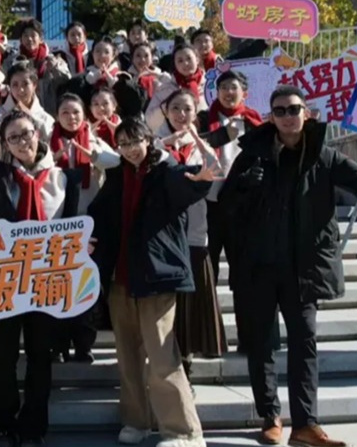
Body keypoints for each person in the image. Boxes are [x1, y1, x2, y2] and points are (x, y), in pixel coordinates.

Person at [218, 85, 357, 447]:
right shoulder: (252, 154)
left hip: (303, 269)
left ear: (306, 113)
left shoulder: (323, 154)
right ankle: (270, 416)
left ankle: (306, 424)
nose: (288, 116)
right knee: (261, 344)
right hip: (259, 266)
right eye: (280, 111)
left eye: (294, 109)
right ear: (271, 117)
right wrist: (243, 186)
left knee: (305, 342)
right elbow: (226, 206)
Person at [88, 116, 213, 447]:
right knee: (127, 357)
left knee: (161, 356)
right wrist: (86, 238)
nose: (130, 149)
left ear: (148, 140)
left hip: (156, 277)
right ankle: (136, 421)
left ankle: (183, 431)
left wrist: (202, 177)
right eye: (123, 143)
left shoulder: (164, 172)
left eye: (135, 141)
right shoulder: (117, 176)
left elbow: (189, 183)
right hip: (120, 279)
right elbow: (98, 215)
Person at [0, 110, 83, 446]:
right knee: (4, 353)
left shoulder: (64, 179)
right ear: (5, 145)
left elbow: (72, 225)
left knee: (40, 354)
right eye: (13, 138)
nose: (22, 142)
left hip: (46, 280)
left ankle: (34, 425)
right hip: (5, 279)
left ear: (38, 133)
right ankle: (2, 422)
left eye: (26, 134)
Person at [155, 89, 228, 383]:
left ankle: (186, 364)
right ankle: (168, 364)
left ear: (195, 113)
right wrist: (166, 142)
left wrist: (198, 141)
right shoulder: (158, 144)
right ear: (166, 112)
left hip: (195, 235)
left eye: (187, 108)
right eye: (175, 108)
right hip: (163, 234)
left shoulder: (202, 147)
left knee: (192, 304)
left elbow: (217, 174)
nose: (181, 114)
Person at [49, 94, 119, 363]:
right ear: (57, 116)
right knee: (57, 286)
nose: (71, 118)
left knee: (87, 286)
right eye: (65, 113)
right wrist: (52, 158)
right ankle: (58, 344)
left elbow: (117, 162)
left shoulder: (94, 140)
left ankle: (83, 344)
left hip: (90, 225)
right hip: (57, 226)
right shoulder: (47, 142)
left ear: (84, 115)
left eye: (76, 112)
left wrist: (93, 155)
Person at [200, 70, 266, 355]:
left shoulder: (254, 122)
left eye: (233, 87)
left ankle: (248, 337)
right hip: (210, 205)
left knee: (244, 277)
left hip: (243, 207)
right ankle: (208, 340)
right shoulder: (203, 119)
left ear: (244, 92)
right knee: (207, 275)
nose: (228, 92)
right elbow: (194, 145)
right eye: (223, 87)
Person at [3, 18, 71, 115]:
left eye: (33, 35)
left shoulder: (54, 60)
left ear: (41, 39)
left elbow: (67, 81)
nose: (29, 39)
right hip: (19, 113)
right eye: (25, 35)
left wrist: (55, 68)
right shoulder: (12, 62)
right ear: (20, 39)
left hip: (48, 113)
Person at [0, 62, 55, 156]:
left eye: (25, 84)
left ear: (34, 85)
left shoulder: (46, 119)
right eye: (15, 85)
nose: (21, 90)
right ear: (9, 87)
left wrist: (31, 117)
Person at [146, 44, 208, 131]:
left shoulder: (209, 86)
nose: (185, 63)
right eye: (180, 61)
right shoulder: (166, 89)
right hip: (175, 137)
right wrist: (164, 109)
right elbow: (150, 121)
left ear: (197, 59)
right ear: (175, 64)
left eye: (189, 58)